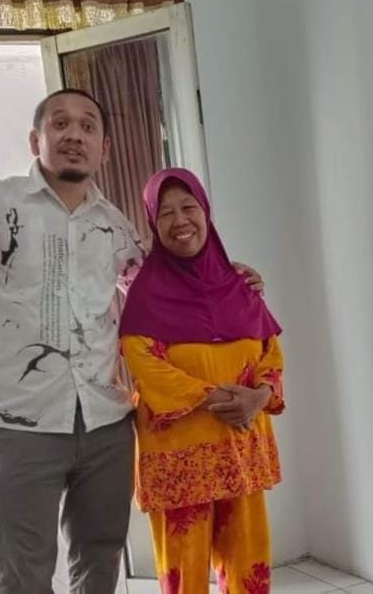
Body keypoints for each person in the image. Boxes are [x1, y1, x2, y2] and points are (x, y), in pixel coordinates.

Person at [0, 89, 264, 594]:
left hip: (107, 424)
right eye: (60, 123)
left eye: (88, 126)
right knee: (23, 573)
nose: (74, 135)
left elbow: (164, 291)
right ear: (36, 140)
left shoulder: (114, 225)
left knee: (100, 563)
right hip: (20, 423)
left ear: (104, 148)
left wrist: (226, 281)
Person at [120, 168, 285, 594]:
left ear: (205, 212)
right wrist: (225, 399)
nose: (180, 221)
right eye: (166, 213)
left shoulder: (240, 283)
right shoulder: (145, 292)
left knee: (247, 565)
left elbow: (270, 352)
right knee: (184, 574)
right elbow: (144, 363)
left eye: (188, 207)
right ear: (153, 224)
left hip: (239, 447)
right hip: (178, 456)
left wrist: (259, 396)